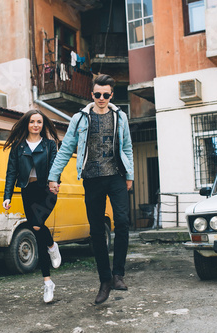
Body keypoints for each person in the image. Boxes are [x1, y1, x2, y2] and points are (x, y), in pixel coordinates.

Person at [48, 74, 134, 305]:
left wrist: (130, 175)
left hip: (116, 174)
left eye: (106, 95)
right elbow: (66, 148)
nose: (102, 98)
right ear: (92, 94)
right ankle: (104, 280)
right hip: (92, 178)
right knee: (96, 230)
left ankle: (118, 275)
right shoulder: (80, 118)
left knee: (123, 222)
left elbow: (126, 146)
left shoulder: (120, 116)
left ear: (111, 95)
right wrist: (53, 176)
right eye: (98, 94)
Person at [2, 109, 62, 304]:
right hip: (27, 191)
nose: (36, 125)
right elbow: (11, 172)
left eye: (39, 122)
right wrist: (7, 196)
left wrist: (55, 181)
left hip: (46, 191)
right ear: (26, 124)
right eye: (32, 122)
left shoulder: (49, 145)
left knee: (37, 226)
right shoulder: (18, 147)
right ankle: (48, 280)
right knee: (37, 231)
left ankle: (52, 248)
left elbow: (56, 165)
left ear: (42, 125)